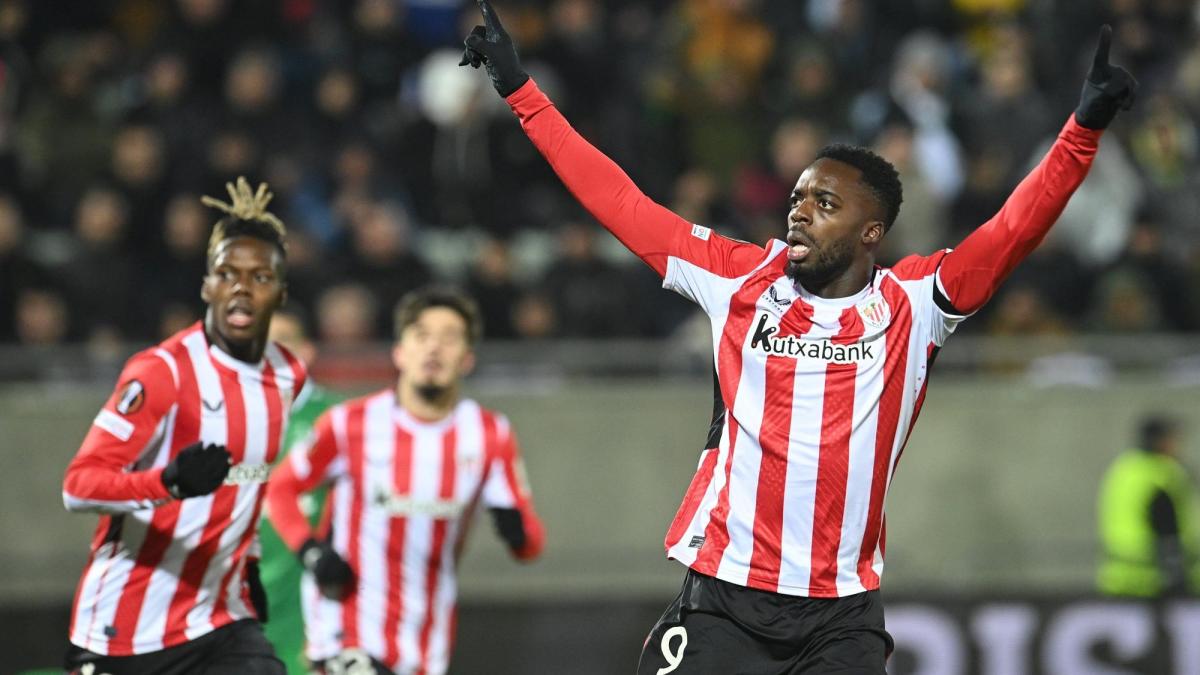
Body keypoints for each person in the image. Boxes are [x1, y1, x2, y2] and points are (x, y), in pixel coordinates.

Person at [461, 5, 1137, 672]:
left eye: (825, 203)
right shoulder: (738, 278)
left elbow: (1013, 229)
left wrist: (1083, 131)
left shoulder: (913, 305)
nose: (800, 212)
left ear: (872, 233)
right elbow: (621, 200)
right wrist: (523, 94)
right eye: (798, 197)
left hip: (841, 618)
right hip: (724, 599)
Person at [61, 177, 305, 675]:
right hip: (124, 629)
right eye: (227, 273)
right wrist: (167, 482)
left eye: (260, 277)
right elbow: (78, 486)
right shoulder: (162, 372)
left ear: (281, 293)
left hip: (217, 620)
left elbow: (248, 484)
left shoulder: (287, 376)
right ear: (206, 285)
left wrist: (251, 561)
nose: (241, 288)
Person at [266, 286, 544, 675]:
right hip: (345, 631)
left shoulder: (488, 434)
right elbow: (280, 489)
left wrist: (516, 531)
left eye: (449, 338)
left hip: (425, 641)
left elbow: (530, 546)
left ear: (467, 358)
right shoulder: (351, 423)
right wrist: (311, 552)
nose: (434, 348)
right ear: (399, 352)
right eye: (421, 335)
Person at [259, 308, 344, 674]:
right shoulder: (227, 419)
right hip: (240, 590)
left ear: (306, 351)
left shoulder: (336, 418)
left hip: (308, 590)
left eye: (283, 341)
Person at [1098, 416, 1200, 597]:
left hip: (1119, 577)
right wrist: (1178, 577)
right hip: (1155, 581)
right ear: (1160, 441)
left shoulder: (1124, 467)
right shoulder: (1164, 475)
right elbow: (1167, 530)